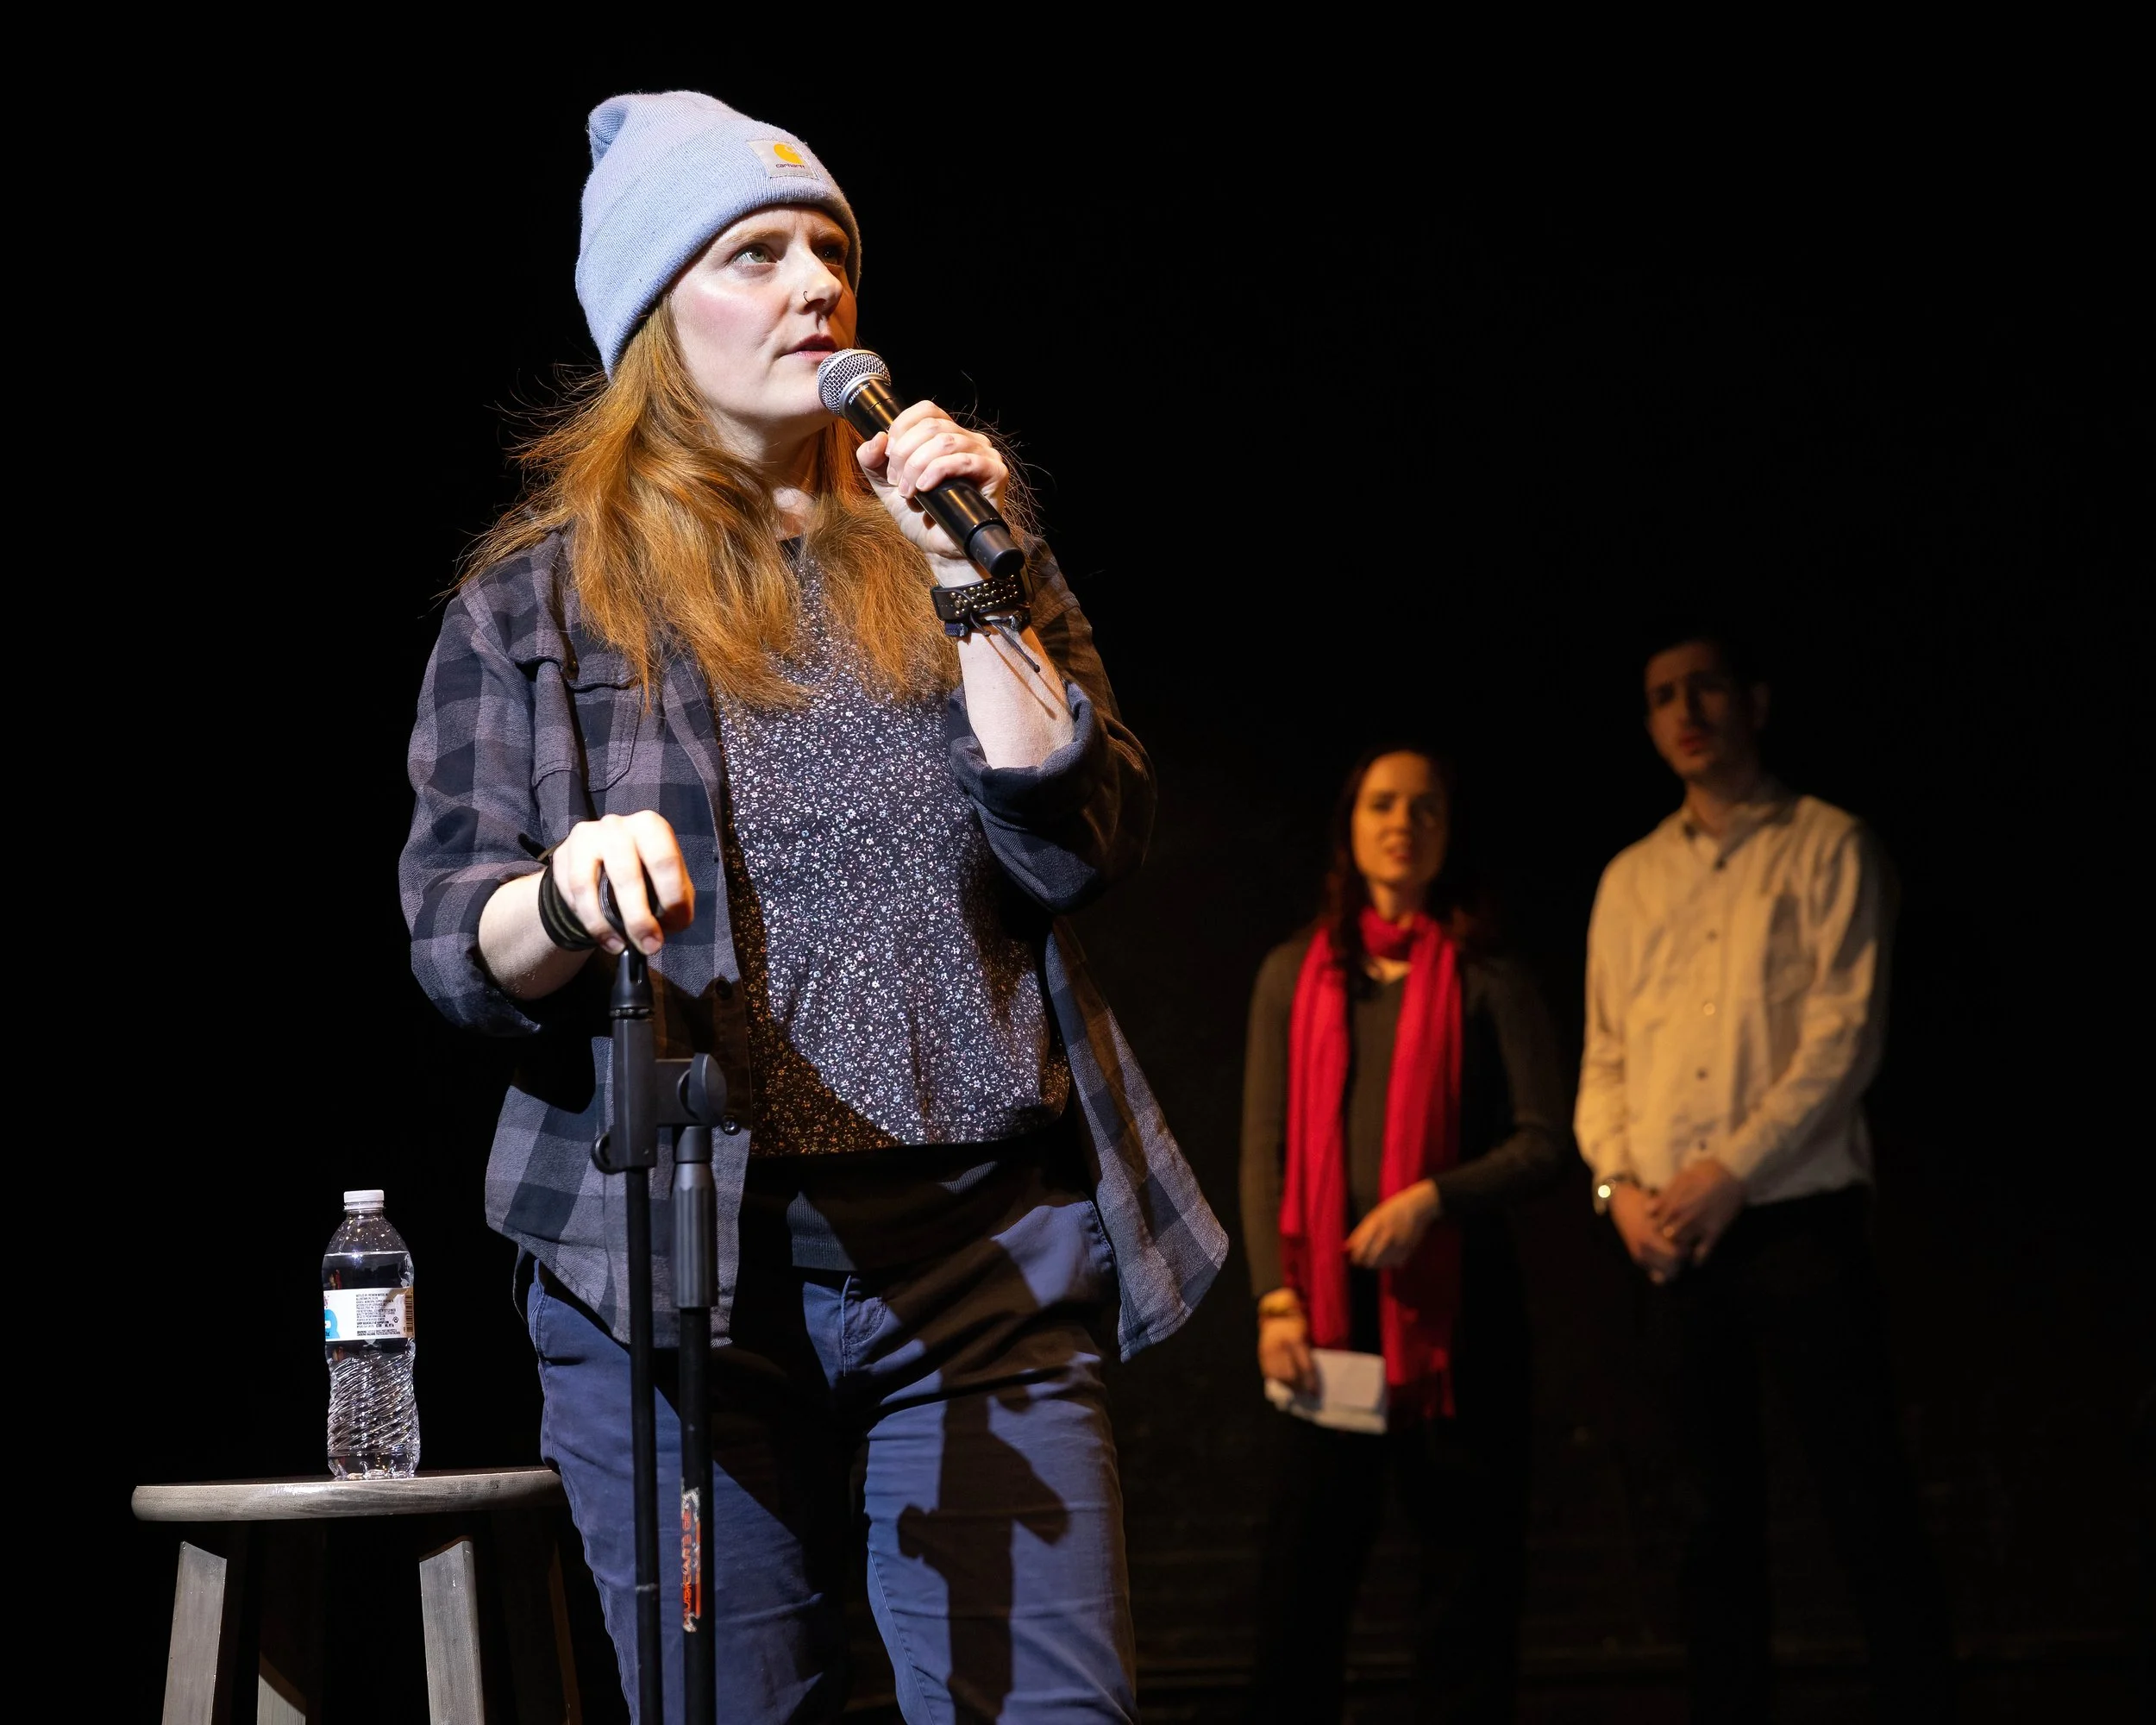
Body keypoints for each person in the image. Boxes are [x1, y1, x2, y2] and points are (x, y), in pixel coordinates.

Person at [399, 91, 1225, 1724]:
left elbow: (1085, 837)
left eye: (832, 251)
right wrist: (562, 894)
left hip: (982, 1251)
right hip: (685, 1273)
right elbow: (455, 941)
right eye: (755, 252)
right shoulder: (542, 596)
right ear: (651, 314)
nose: (813, 287)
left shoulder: (953, 546)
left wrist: (976, 579)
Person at [1577, 631, 1952, 1721]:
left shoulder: (1830, 846)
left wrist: (1732, 1168)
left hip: (1797, 1225)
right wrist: (1620, 1191)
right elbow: (1603, 1057)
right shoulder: (1630, 877)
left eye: (1703, 687)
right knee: (1704, 1519)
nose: (1683, 708)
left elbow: (1843, 1037)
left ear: (1753, 701)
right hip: (1670, 1244)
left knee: (1861, 1495)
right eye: (1660, 696)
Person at [1238, 746, 1570, 1722]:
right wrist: (1273, 1298)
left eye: (1425, 807)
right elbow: (1262, 1151)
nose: (1403, 822)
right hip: (1322, 1329)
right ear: (1350, 824)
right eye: (1383, 803)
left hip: (1457, 1325)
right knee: (1300, 1591)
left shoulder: (1487, 972)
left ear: (1446, 832)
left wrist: (1432, 1196)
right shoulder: (1290, 972)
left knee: (1464, 1590)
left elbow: (1547, 1141)